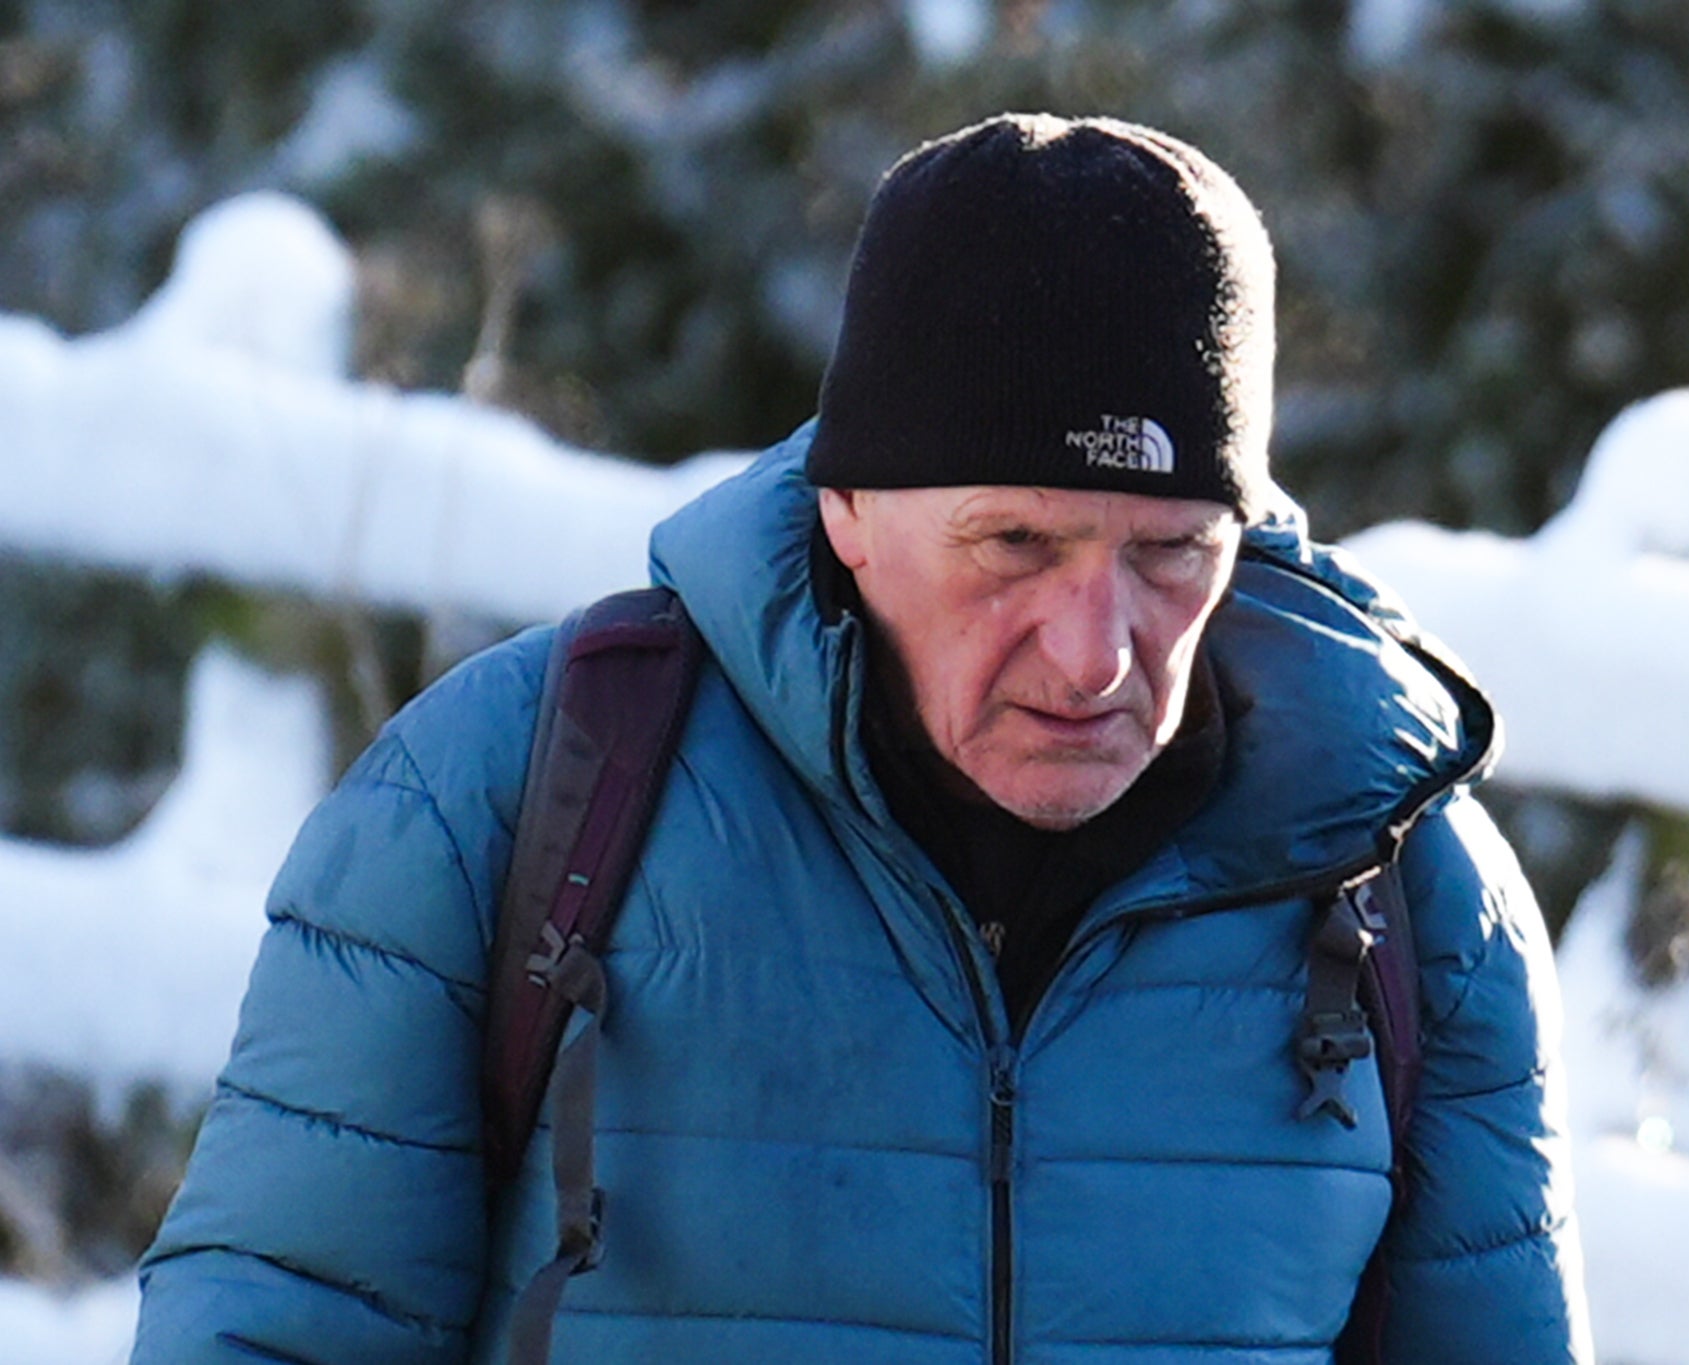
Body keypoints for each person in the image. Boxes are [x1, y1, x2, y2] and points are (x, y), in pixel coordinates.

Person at [133, 113, 1592, 1364]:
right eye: (1015, 543)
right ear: (848, 510)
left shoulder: (1406, 878)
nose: (1098, 652)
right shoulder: (509, 798)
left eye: (1170, 553)